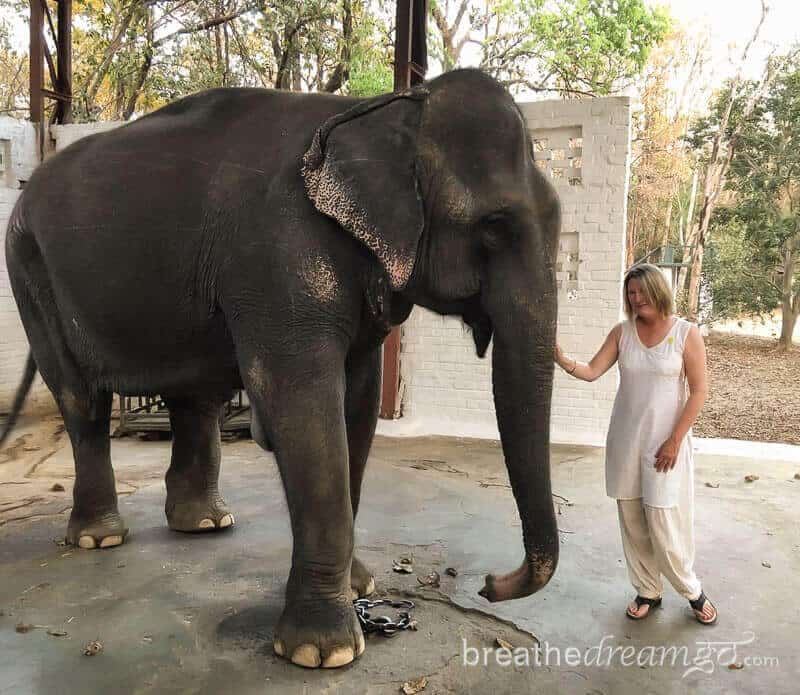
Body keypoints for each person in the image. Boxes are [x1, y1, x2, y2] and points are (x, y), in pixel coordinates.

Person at [554, 263, 717, 624]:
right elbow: (593, 371)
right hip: (625, 440)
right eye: (631, 293)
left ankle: (692, 590)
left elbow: (699, 390)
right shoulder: (622, 332)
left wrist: (675, 440)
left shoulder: (685, 333)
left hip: (665, 444)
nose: (635, 298)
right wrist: (562, 358)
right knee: (632, 519)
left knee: (663, 520)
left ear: (658, 291)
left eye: (641, 291)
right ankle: (648, 590)